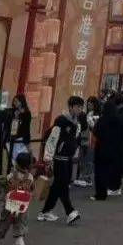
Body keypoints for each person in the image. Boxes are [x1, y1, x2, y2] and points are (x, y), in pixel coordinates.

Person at [38, 96, 84, 226]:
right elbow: (52, 140)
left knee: (58, 186)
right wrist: (48, 158)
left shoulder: (77, 123)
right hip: (59, 158)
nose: (80, 110)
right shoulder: (61, 121)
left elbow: (75, 140)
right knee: (62, 184)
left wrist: (74, 154)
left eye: (81, 107)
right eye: (77, 107)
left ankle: (45, 211)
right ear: (70, 107)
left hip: (68, 158)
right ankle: (70, 212)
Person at [0, 151, 35, 245]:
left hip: (10, 204)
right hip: (23, 205)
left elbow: (6, 187)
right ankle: (19, 241)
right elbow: (32, 188)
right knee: (20, 222)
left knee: (4, 221)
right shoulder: (30, 177)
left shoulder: (11, 176)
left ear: (17, 163)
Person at [91, 94, 123, 201]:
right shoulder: (119, 120)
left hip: (101, 149)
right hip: (115, 150)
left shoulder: (102, 120)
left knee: (100, 172)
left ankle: (100, 194)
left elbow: (96, 132)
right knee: (110, 171)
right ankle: (112, 187)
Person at [8, 95, 32, 174]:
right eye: (14, 101)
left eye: (16, 101)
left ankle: (23, 175)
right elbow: (13, 127)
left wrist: (27, 142)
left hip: (21, 139)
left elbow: (26, 128)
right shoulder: (13, 112)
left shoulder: (26, 113)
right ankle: (14, 175)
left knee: (21, 159)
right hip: (14, 138)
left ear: (21, 102)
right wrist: (15, 116)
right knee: (14, 159)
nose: (15, 103)